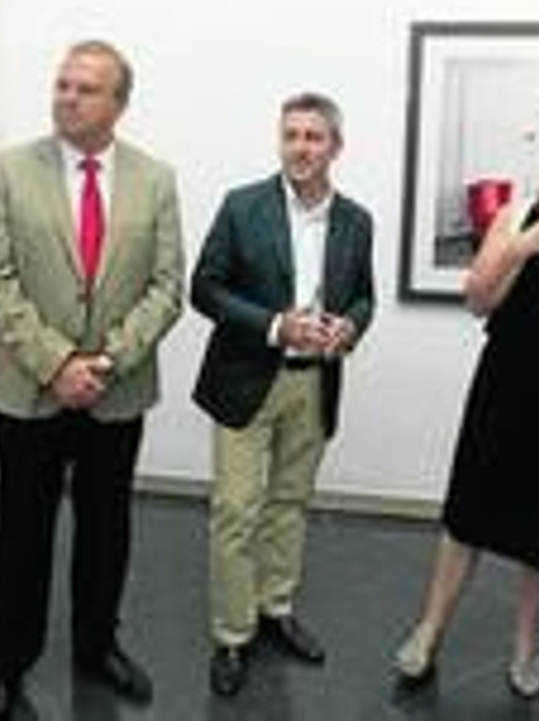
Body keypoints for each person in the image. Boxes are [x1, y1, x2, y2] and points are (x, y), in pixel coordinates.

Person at [0, 40, 185, 719]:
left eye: (86, 88)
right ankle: (4, 663)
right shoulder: (9, 171)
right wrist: (58, 362)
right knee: (22, 531)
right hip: (29, 388)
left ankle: (97, 647)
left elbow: (167, 285)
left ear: (119, 103)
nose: (67, 96)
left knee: (106, 528)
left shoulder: (155, 178)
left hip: (116, 391)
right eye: (62, 84)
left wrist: (108, 361)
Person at [392, 94, 539, 699]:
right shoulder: (524, 212)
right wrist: (522, 248)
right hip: (506, 383)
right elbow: (478, 298)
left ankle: (527, 646)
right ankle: (428, 629)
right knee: (467, 513)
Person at [191, 91, 376, 697]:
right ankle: (232, 633)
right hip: (246, 381)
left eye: (313, 137)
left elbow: (363, 296)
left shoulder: (356, 220)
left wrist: (350, 325)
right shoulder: (242, 207)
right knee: (236, 511)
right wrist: (275, 325)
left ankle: (275, 609)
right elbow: (205, 289)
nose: (300, 147)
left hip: (314, 382)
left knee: (290, 503)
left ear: (335, 147)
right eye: (291, 135)